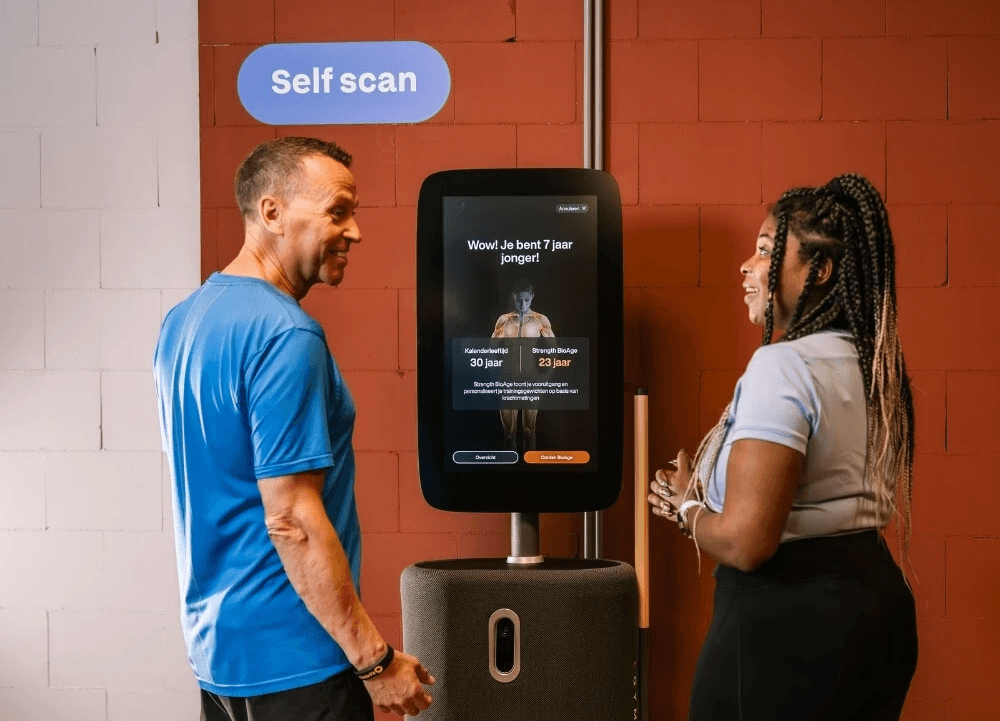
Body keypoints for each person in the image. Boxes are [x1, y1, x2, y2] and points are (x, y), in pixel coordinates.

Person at [153, 137, 434, 720]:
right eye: (337, 211)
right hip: (295, 661)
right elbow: (291, 519)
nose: (354, 231)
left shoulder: (183, 322)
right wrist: (374, 663)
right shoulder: (287, 334)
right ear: (272, 212)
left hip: (218, 658)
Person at [648, 173, 918, 720]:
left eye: (768, 250)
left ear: (819, 271)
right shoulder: (872, 365)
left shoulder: (782, 366)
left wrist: (686, 507)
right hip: (877, 614)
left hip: (785, 628)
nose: (747, 267)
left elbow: (749, 543)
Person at [491, 279, 554, 452]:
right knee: (509, 434)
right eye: (519, 300)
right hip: (508, 377)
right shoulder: (504, 319)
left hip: (531, 377)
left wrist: (546, 377)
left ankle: (530, 471)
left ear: (532, 297)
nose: (523, 304)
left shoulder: (540, 319)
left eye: (526, 300)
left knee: (529, 431)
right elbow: (490, 348)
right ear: (514, 298)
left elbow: (555, 348)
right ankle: (509, 473)